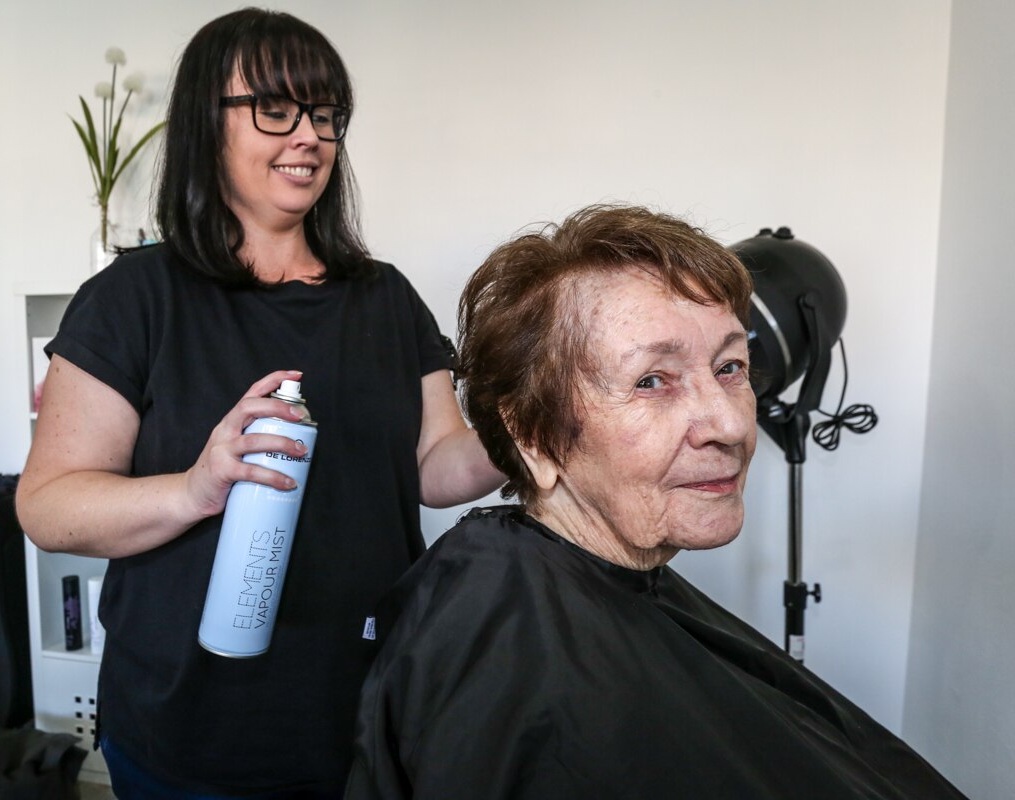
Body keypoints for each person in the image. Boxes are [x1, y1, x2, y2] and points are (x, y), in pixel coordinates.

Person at [16, 9, 501, 798]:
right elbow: (47, 506)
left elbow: (435, 466)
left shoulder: (385, 298)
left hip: (369, 705)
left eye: (325, 114)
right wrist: (195, 488)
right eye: (275, 110)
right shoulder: (136, 298)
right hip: (192, 728)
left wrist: (525, 428)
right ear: (208, 122)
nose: (309, 136)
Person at [345, 205, 966, 799]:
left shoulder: (589, 588)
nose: (730, 424)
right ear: (533, 436)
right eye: (651, 381)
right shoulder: (506, 656)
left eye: (730, 367)